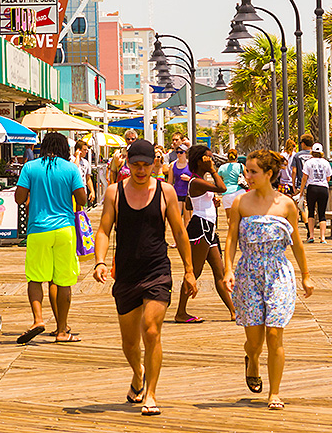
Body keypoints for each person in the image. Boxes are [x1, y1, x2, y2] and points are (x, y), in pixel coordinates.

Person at [93, 139, 197, 416]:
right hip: (125, 273)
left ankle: (151, 394)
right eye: (135, 165)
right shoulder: (114, 193)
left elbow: (179, 231)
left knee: (151, 330)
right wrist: (100, 261)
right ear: (127, 163)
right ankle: (138, 372)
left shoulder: (165, 192)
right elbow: (104, 230)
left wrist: (188, 270)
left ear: (154, 164)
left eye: (145, 165)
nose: (140, 170)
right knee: (129, 342)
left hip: (157, 270)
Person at [223, 150, 314, 410]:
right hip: (248, 272)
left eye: (253, 171)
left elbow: (296, 242)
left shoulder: (286, 205)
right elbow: (231, 239)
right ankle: (252, 359)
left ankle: (274, 393)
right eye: (246, 171)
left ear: (269, 174)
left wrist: (306, 276)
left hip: (278, 272)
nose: (247, 176)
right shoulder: (241, 202)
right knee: (255, 340)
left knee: (275, 333)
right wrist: (228, 270)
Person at [15, 133, 88, 344]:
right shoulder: (71, 168)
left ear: (43, 146)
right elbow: (82, 199)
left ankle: (38, 319)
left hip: (37, 229)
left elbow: (19, 198)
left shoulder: (30, 167)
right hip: (65, 229)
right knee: (62, 281)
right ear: (65, 148)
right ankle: (62, 330)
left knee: (35, 277)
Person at [174, 145, 236, 323]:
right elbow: (223, 188)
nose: (211, 160)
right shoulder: (196, 181)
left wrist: (209, 203)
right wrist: (213, 171)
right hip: (200, 228)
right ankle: (180, 312)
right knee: (194, 271)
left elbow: (188, 205)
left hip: (208, 228)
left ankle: (233, 311)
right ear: (201, 160)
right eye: (208, 158)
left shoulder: (197, 181)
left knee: (220, 272)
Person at [298, 143, 332, 244]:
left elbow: (304, 177)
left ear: (312, 152)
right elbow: (328, 177)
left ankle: (311, 235)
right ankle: (322, 238)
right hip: (323, 188)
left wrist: (301, 191)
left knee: (311, 211)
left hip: (312, 188)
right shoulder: (326, 162)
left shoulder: (308, 162)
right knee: (322, 213)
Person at [218, 149, 247, 223]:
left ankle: (231, 232)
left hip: (227, 193)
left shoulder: (222, 167)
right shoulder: (241, 166)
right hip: (240, 192)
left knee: (229, 217)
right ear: (236, 156)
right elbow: (247, 177)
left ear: (227, 157)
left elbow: (218, 181)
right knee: (241, 216)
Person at [167, 143, 192, 222]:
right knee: (177, 217)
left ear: (186, 153)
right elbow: (170, 182)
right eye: (177, 152)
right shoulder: (173, 165)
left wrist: (189, 179)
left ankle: (186, 233)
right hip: (177, 193)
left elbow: (196, 179)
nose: (179, 154)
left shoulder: (190, 165)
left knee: (187, 217)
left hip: (187, 194)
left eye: (181, 152)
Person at [71, 140, 96, 206]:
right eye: (84, 150)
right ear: (79, 150)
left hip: (83, 190)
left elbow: (88, 178)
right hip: (73, 191)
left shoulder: (85, 162)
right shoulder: (71, 159)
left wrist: (92, 191)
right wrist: (77, 156)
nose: (86, 152)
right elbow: (74, 169)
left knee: (81, 212)